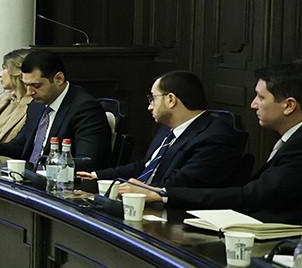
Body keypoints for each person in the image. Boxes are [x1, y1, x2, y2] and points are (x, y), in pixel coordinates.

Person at [119, 62, 302, 223]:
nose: (253, 104)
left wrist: (162, 194)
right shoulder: (290, 140)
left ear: (289, 106)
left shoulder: (297, 145)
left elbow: (254, 195)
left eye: (261, 97)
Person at [80, 71, 245, 188]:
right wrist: (96, 175)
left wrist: (137, 190)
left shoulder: (214, 137)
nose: (149, 106)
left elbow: (180, 186)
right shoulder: (167, 129)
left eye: (153, 98)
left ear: (171, 100)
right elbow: (145, 165)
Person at [0, 48, 112, 169]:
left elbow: (87, 162)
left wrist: (43, 168)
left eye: (36, 85)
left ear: (59, 79)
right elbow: (20, 145)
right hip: (28, 178)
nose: (29, 92)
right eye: (26, 85)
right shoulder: (36, 105)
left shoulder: (85, 109)